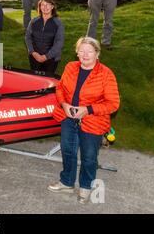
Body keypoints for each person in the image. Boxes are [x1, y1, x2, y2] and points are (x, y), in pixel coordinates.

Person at [48, 37, 120, 204]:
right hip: (68, 117)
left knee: (89, 157)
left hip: (93, 121)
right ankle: (66, 182)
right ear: (77, 52)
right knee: (68, 151)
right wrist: (64, 104)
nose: (85, 54)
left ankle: (86, 187)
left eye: (89, 51)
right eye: (82, 50)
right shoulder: (70, 67)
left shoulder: (106, 74)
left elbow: (113, 103)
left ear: (97, 53)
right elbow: (60, 88)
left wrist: (88, 110)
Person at [25, 0, 64, 74]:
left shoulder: (58, 23)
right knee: (35, 80)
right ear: (39, 7)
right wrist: (32, 52)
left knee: (48, 81)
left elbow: (59, 42)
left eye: (47, 5)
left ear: (52, 7)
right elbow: (28, 37)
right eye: (42, 5)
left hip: (51, 58)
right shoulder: (33, 21)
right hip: (34, 56)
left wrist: (46, 56)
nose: (45, 7)